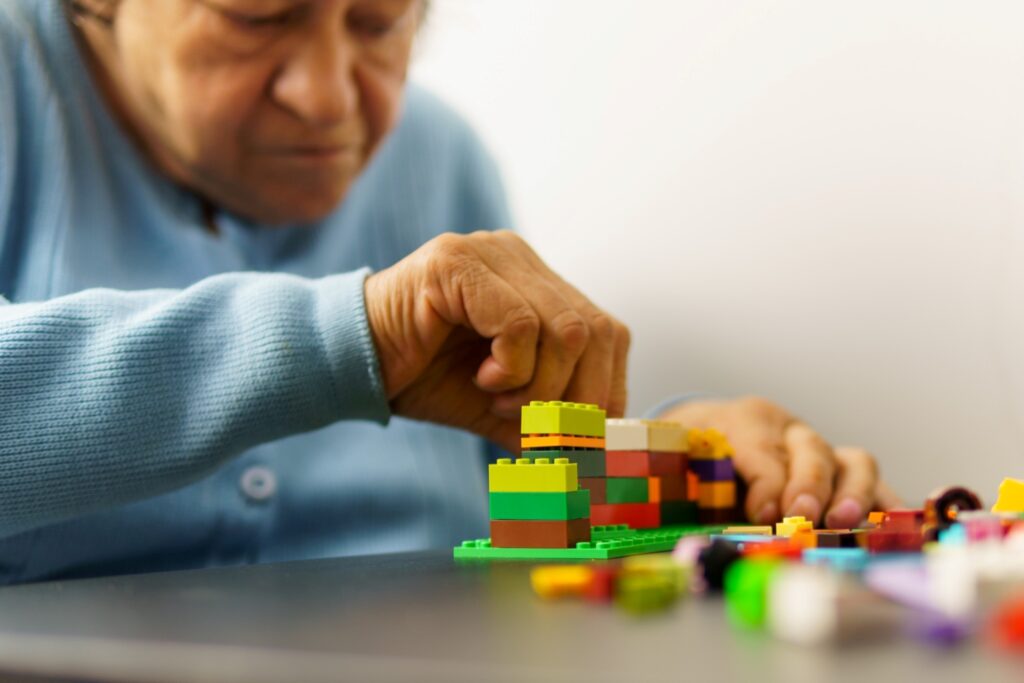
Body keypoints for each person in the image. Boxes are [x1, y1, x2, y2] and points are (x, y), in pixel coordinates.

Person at [0, 0, 898, 583]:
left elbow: (522, 493)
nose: (329, 99)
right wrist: (349, 338)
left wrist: (682, 465)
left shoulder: (439, 155)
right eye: (256, 15)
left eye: (381, 22)